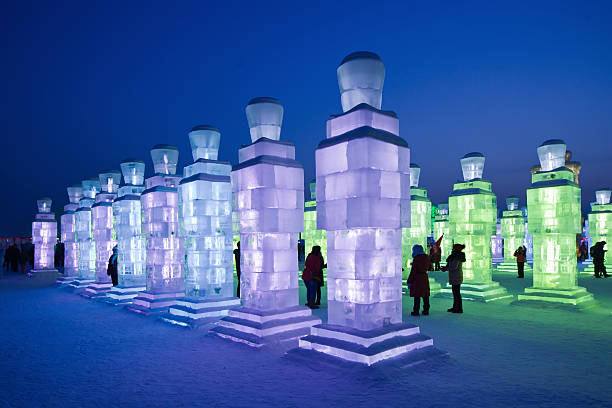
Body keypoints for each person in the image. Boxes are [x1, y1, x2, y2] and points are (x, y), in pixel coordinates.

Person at [407, 245, 431, 316]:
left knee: (417, 295)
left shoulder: (416, 259)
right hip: (424, 277)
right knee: (425, 294)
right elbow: (430, 267)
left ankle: (416, 311)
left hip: (417, 278)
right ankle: (426, 310)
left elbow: (413, 271)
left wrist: (409, 281)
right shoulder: (427, 258)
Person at [442, 243, 466, 313]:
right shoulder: (455, 256)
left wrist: (446, 268)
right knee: (455, 293)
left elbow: (453, 267)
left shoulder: (457, 257)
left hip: (456, 276)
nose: (452, 249)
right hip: (455, 276)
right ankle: (456, 307)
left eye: (453, 248)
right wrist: (445, 268)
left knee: (456, 293)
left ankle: (458, 308)